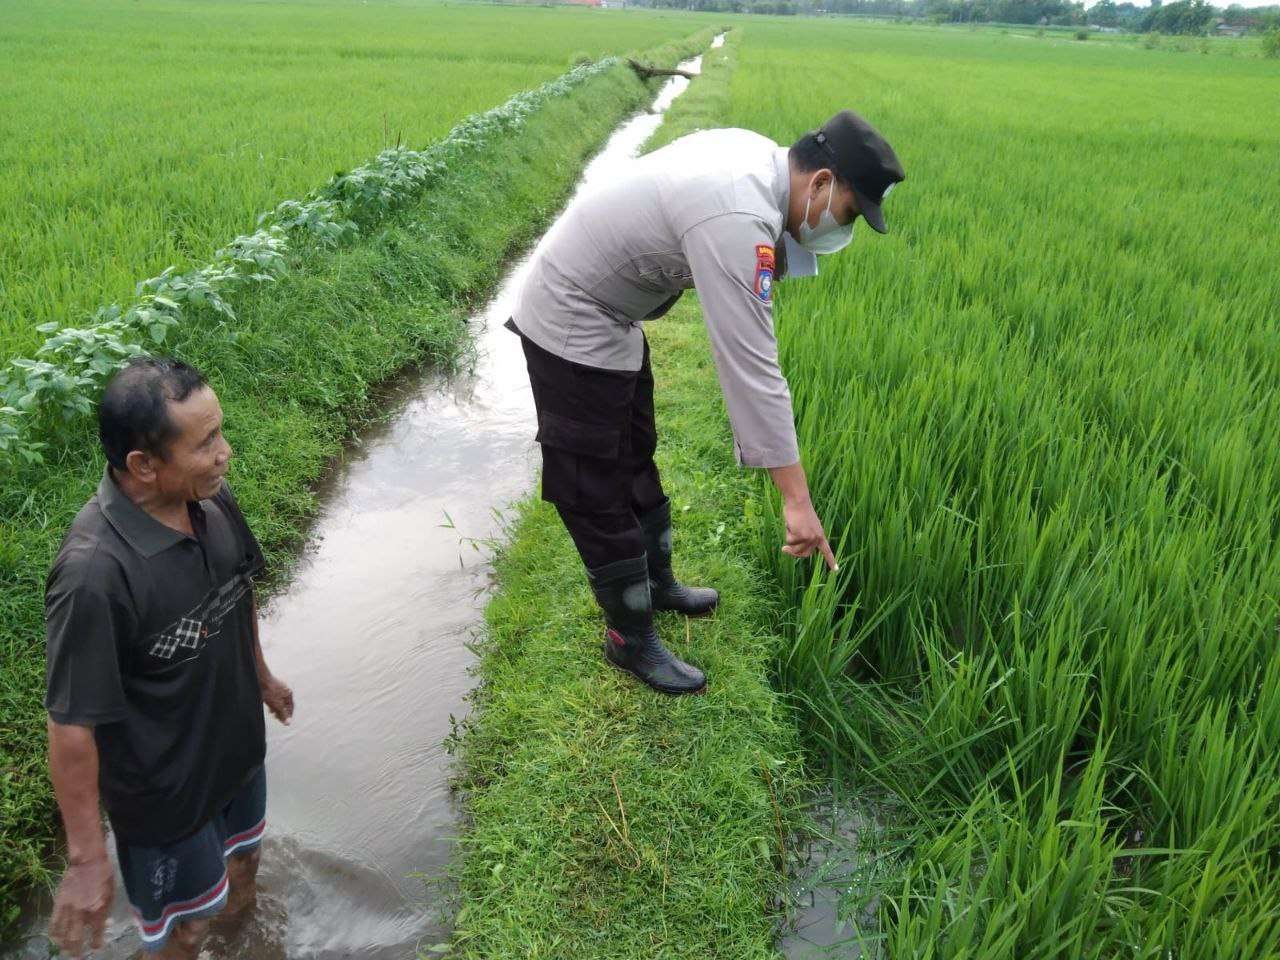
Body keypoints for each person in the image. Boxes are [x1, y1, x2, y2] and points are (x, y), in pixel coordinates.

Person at [506, 109, 904, 696]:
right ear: (820, 182)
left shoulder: (761, 165)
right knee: (593, 479)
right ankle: (629, 638)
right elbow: (751, 366)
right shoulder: (736, 211)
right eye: (847, 214)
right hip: (572, 310)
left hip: (614, 312)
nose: (841, 230)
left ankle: (657, 582)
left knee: (636, 450)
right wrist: (797, 500)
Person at [43, 357, 294, 958]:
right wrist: (85, 859)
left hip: (235, 751)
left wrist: (260, 675)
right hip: (165, 799)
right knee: (186, 930)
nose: (225, 452)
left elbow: (237, 590)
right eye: (206, 442)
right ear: (144, 466)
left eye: (220, 432)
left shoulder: (211, 498)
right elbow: (71, 725)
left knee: (244, 867)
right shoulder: (93, 577)